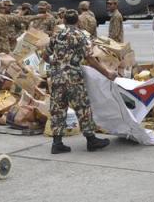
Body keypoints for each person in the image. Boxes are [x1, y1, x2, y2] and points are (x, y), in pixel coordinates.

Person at [43, 9, 115, 154]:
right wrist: (107, 72)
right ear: (77, 21)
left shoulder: (56, 35)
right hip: (73, 78)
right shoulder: (80, 36)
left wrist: (56, 63)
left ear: (63, 20)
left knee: (58, 109)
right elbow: (90, 58)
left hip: (56, 77)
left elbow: (45, 55)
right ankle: (91, 140)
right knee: (83, 108)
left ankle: (57, 143)